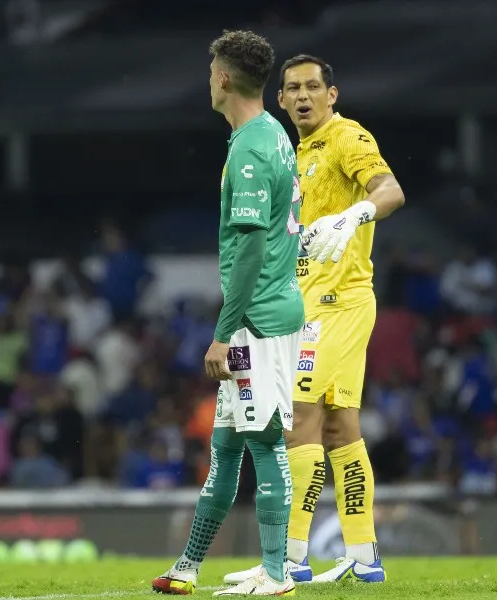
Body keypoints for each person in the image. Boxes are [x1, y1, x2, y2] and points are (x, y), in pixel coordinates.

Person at [223, 54, 405, 585]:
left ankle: (290, 558)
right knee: (337, 425)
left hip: (340, 304)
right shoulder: (291, 150)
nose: (302, 96)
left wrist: (358, 214)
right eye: (292, 88)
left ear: (332, 94)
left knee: (295, 417)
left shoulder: (347, 138)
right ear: (279, 100)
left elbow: (390, 190)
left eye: (312, 87)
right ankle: (365, 555)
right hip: (308, 306)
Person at [151, 30, 304, 596]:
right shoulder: (271, 135)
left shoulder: (250, 147)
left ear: (222, 78)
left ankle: (277, 571)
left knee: (263, 440)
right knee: (227, 444)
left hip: (257, 319)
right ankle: (189, 565)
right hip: (265, 311)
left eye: (209, 69)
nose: (206, 78)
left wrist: (223, 332)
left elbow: (250, 252)